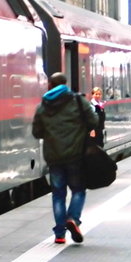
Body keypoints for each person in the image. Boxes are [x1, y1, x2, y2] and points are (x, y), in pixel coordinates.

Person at [32, 72, 99, 245]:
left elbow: (36, 132)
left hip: (54, 157)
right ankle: (73, 219)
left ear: (50, 85)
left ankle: (59, 234)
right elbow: (93, 121)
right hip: (75, 155)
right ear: (65, 83)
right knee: (78, 190)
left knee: (58, 195)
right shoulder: (77, 101)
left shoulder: (43, 106)